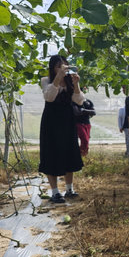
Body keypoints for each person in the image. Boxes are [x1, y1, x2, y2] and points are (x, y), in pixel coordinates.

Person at [39, 55, 84, 204]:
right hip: (51, 122)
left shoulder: (71, 81)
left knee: (69, 152)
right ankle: (55, 192)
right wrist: (58, 78)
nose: (63, 69)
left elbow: (79, 100)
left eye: (65, 65)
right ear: (53, 68)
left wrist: (76, 84)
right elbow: (49, 97)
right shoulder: (46, 81)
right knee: (51, 153)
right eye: (59, 66)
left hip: (67, 121)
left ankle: (69, 189)